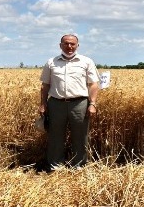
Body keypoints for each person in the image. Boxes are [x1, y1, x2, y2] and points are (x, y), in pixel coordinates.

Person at [39, 34, 99, 170]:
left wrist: (92, 104)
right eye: (66, 43)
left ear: (77, 45)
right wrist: (43, 104)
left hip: (80, 104)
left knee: (80, 135)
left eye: (72, 44)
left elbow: (93, 84)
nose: (69, 46)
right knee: (55, 135)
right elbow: (45, 85)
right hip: (56, 103)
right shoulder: (51, 62)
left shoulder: (86, 62)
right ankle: (55, 166)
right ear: (60, 45)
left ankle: (79, 165)